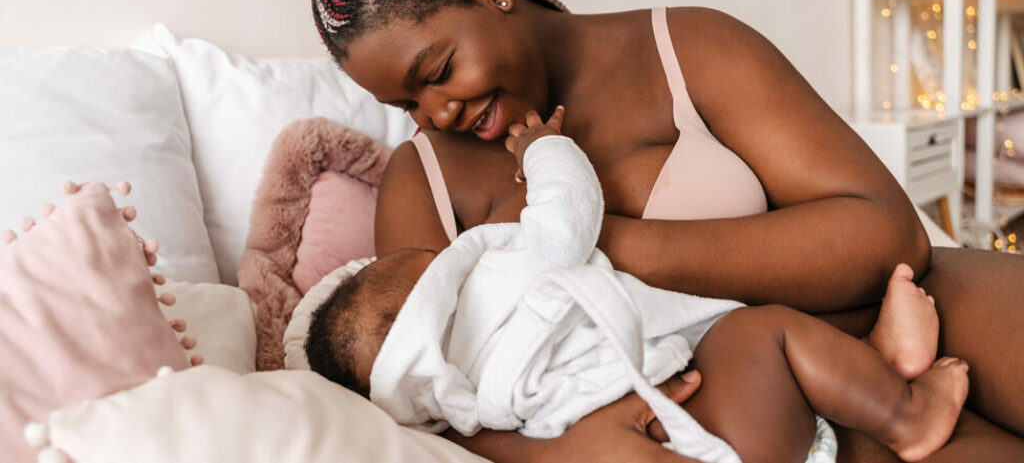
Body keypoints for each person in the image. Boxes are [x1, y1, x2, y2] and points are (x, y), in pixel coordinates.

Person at [310, 0, 1024, 462]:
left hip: (886, 319)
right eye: (406, 103)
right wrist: (557, 454)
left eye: (435, 72)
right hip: (734, 417)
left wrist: (594, 243)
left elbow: (885, 233)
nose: (435, 112)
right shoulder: (422, 176)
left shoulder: (689, 47)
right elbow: (419, 386)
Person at [305, 107, 969, 463]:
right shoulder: (489, 286)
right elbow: (566, 220)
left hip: (689, 424)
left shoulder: (451, 410)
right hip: (711, 426)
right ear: (400, 312)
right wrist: (542, 149)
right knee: (762, 329)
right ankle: (905, 412)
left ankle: (872, 365)